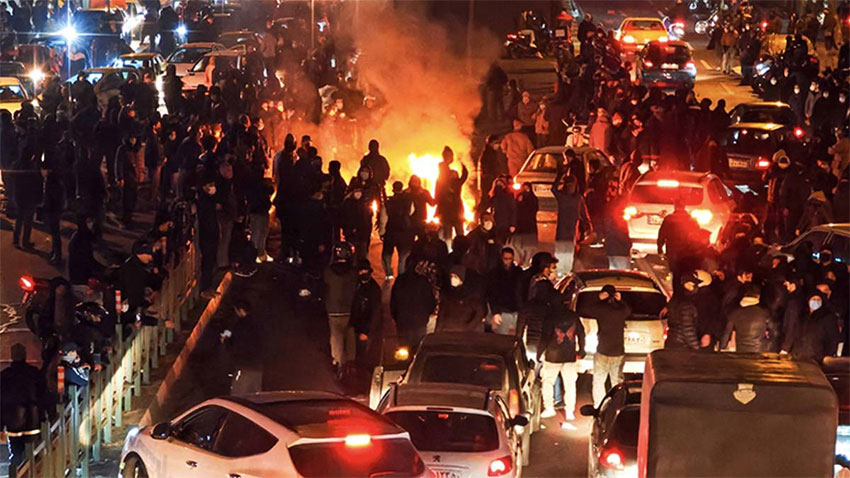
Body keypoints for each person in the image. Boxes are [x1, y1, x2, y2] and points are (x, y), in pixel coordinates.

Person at [1, 343, 48, 478]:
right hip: (32, 420)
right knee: (33, 454)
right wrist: (44, 417)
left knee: (16, 455)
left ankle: (16, 475)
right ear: (25, 355)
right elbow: (42, 396)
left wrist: (1, 426)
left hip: (12, 421)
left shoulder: (4, 376)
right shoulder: (34, 373)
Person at [537, 294, 585, 420]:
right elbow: (581, 333)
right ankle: (569, 411)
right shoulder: (573, 316)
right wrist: (581, 349)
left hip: (552, 356)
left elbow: (544, 337)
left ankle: (549, 408)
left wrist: (539, 353)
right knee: (570, 384)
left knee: (548, 382)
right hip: (569, 355)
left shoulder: (550, 317)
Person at [582, 284, 631, 406]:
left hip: (603, 350)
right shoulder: (621, 310)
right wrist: (621, 301)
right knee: (617, 381)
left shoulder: (600, 309)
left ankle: (600, 406)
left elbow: (586, 309)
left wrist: (598, 298)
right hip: (618, 351)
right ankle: (617, 404)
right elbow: (628, 310)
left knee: (599, 381)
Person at [324, 243, 358, 371]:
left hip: (333, 309)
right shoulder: (353, 272)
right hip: (349, 308)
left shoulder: (328, 272)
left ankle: (338, 362)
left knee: (336, 336)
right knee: (350, 334)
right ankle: (350, 362)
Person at [391, 259, 437, 347]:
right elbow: (430, 301)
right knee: (418, 346)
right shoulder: (423, 281)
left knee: (403, 347)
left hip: (403, 321)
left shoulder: (400, 280)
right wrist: (427, 314)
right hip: (419, 321)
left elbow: (394, 301)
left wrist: (396, 316)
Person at [552, 170, 590, 275]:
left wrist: (588, 227)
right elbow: (553, 189)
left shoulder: (577, 198)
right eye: (568, 185)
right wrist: (560, 174)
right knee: (562, 258)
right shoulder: (563, 196)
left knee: (567, 259)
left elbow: (584, 214)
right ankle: (561, 275)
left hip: (571, 234)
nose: (570, 187)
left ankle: (565, 275)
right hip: (563, 233)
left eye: (571, 185)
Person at [223, 300, 263, 394]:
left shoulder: (239, 325)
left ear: (240, 310)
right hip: (258, 368)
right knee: (256, 396)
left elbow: (235, 346)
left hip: (244, 367)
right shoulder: (257, 323)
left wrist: (226, 341)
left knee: (237, 395)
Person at [436, 265, 487, 332]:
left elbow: (479, 314)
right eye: (451, 276)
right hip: (447, 330)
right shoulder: (448, 294)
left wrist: (467, 328)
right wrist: (438, 331)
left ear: (461, 279)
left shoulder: (472, 295)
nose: (452, 279)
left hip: (464, 332)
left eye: (455, 277)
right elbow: (442, 314)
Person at [719, 285, 769, 353]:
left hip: (741, 350)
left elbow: (726, 333)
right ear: (758, 297)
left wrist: (722, 347)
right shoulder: (764, 313)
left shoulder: (735, 313)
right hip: (759, 349)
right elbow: (772, 331)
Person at [381, 181, 414, 280]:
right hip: (404, 231)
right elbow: (411, 212)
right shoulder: (408, 201)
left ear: (393, 189)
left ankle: (388, 273)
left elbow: (383, 219)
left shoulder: (388, 202)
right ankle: (401, 275)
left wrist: (382, 232)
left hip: (391, 231)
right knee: (403, 256)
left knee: (387, 254)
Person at [350, 260, 380, 365]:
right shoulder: (357, 285)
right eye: (361, 271)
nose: (362, 273)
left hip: (366, 327)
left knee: (363, 353)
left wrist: (366, 331)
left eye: (364, 271)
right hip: (357, 324)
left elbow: (375, 312)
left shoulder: (374, 289)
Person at [486, 247, 522, 335]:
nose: (508, 261)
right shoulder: (494, 273)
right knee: (503, 335)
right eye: (506, 259)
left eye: (510, 259)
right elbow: (492, 293)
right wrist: (495, 311)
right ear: (501, 258)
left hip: (515, 309)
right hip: (503, 310)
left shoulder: (518, 272)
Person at [665, 274, 700, 350]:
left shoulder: (676, 300)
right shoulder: (687, 304)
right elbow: (687, 329)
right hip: (682, 346)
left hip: (672, 341)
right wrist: (696, 347)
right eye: (694, 285)